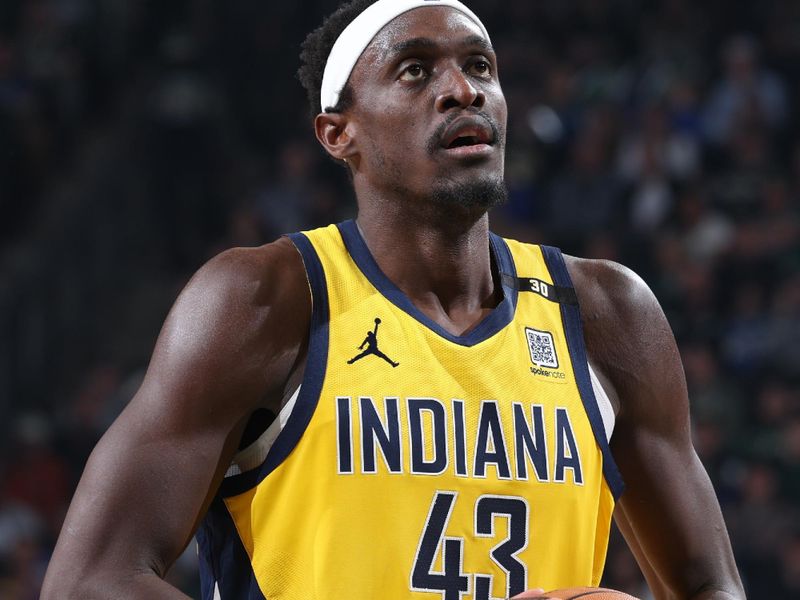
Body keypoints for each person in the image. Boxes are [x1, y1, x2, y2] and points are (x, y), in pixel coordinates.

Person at [42, 1, 746, 598]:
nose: (462, 90)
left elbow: (712, 584)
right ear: (337, 133)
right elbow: (89, 579)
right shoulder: (264, 300)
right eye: (416, 71)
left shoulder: (606, 314)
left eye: (480, 67)